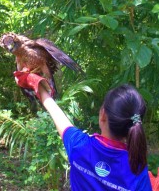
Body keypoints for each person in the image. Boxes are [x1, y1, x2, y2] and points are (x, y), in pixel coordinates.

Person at [14, 71, 152, 191]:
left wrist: (36, 84)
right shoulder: (138, 169)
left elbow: (55, 111)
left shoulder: (80, 146)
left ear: (103, 115)